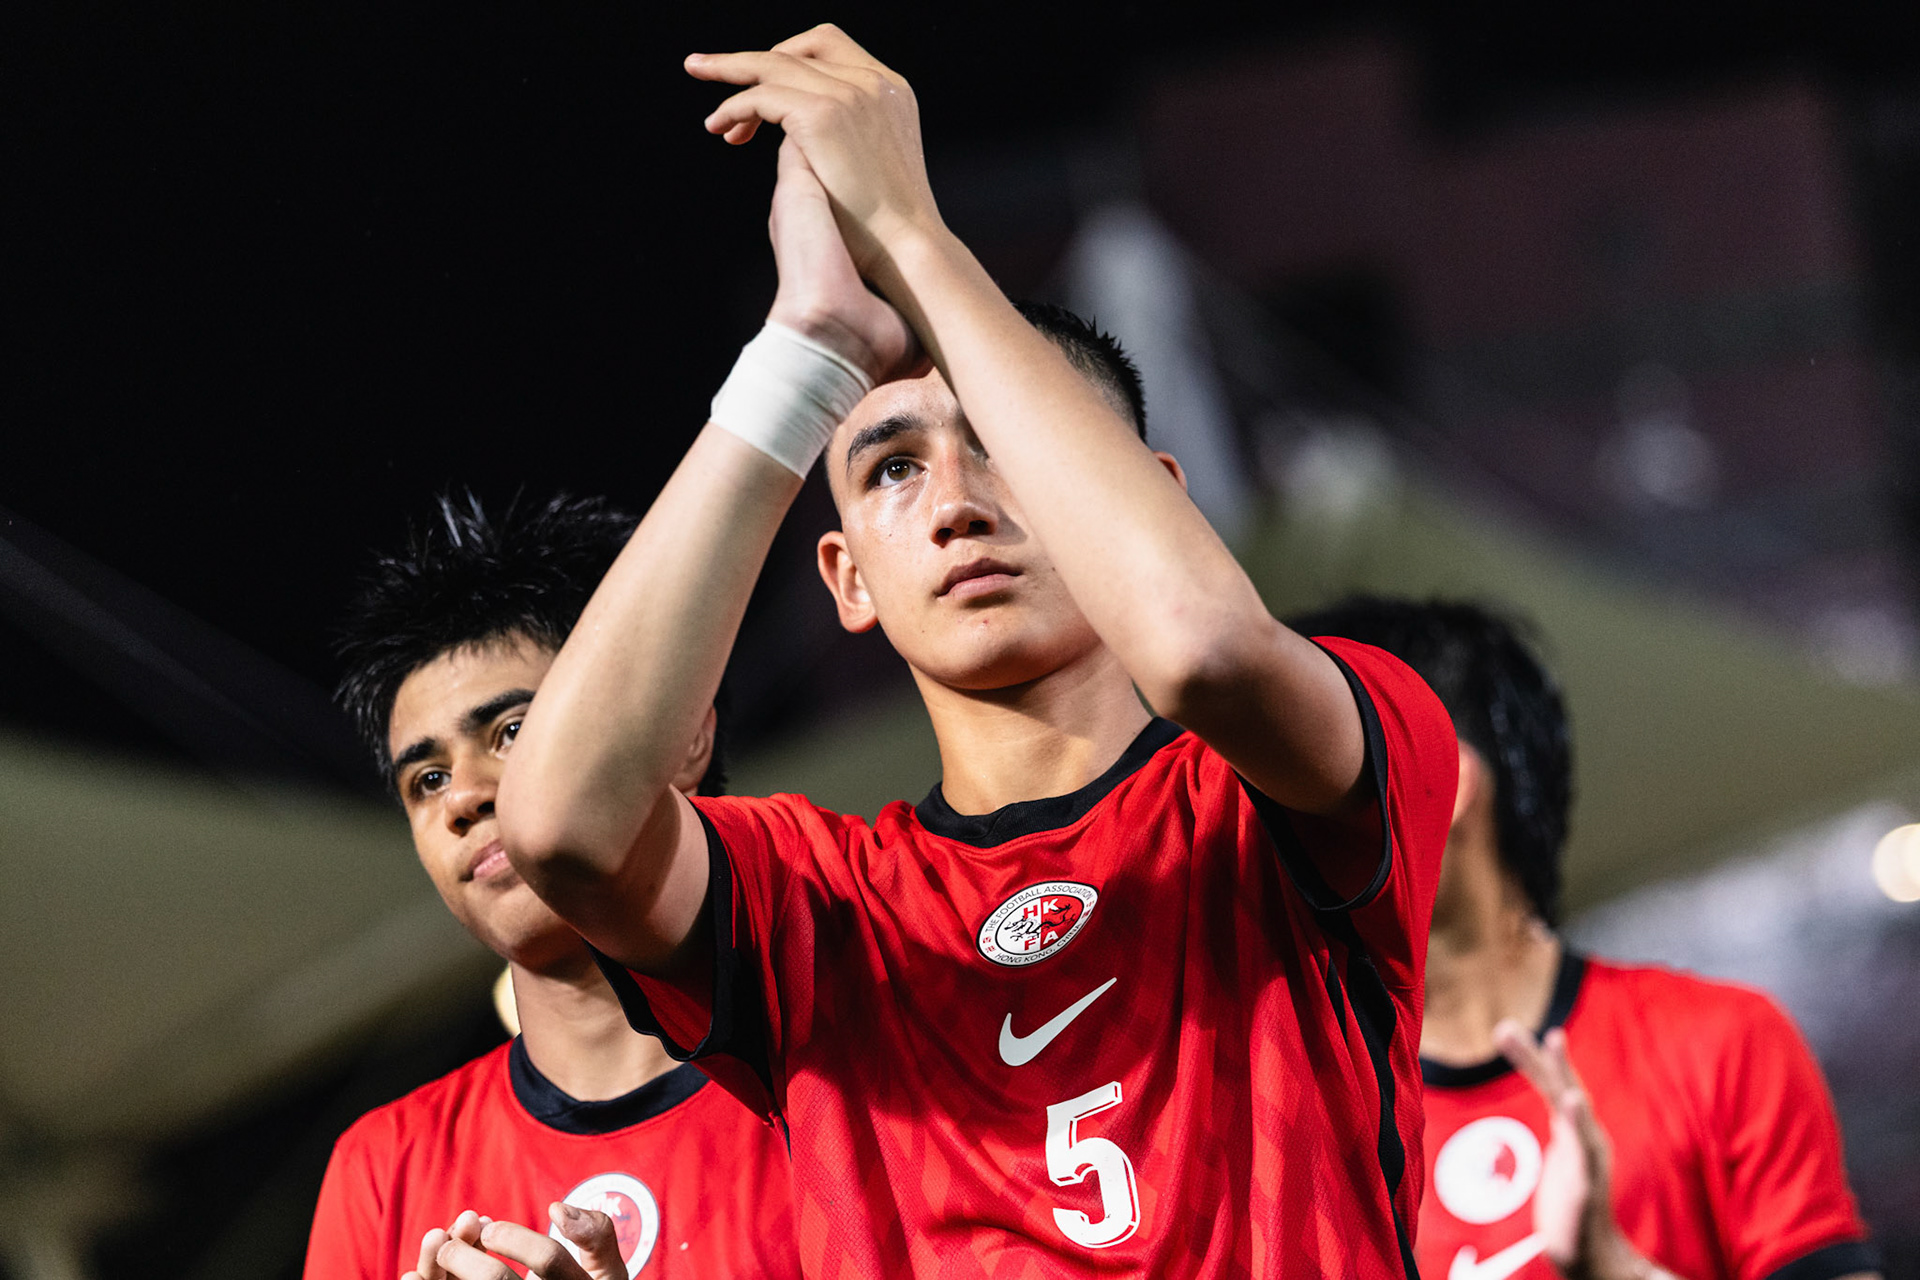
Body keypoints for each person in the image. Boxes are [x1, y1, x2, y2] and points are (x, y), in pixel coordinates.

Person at [492, 25, 1457, 1277]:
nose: (956, 502)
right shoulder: (817, 897)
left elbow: (1203, 649)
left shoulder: (1298, 770)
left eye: (998, 443)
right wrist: (809, 355)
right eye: (892, 468)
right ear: (845, 580)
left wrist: (914, 235)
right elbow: (559, 821)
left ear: (1148, 493)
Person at [1287, 597, 1880, 1280]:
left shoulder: (1720, 1042)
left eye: (1304, 768)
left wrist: (1614, 1268)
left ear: (1440, 782)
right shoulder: (1297, 1136)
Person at [305, 493, 801, 1280]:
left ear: (682, 732)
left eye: (512, 732)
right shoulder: (383, 1168)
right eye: (426, 779)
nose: (464, 796)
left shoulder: (850, 1080)